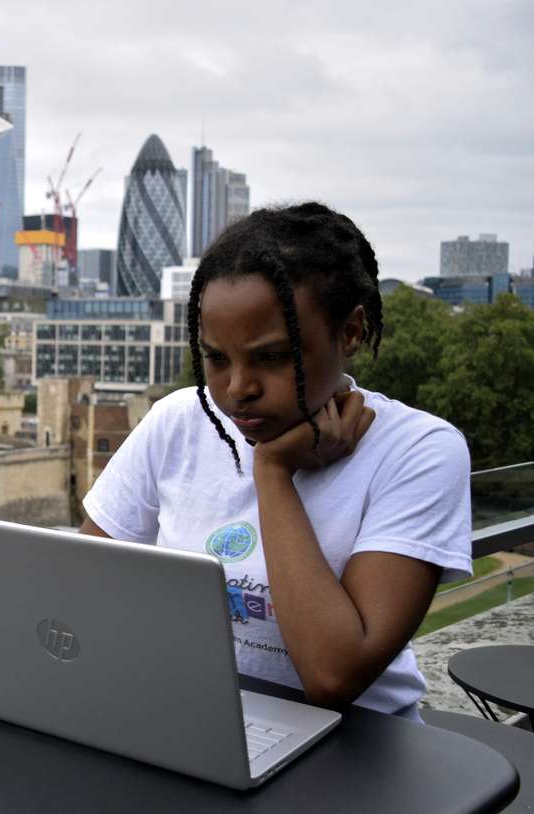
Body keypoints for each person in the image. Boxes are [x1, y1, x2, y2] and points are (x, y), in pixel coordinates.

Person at [80, 202, 471, 719]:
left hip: (359, 749)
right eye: (216, 358)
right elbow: (83, 588)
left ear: (350, 332)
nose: (238, 389)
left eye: (272, 357)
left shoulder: (419, 451)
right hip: (186, 712)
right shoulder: (177, 421)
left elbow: (332, 674)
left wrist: (273, 472)